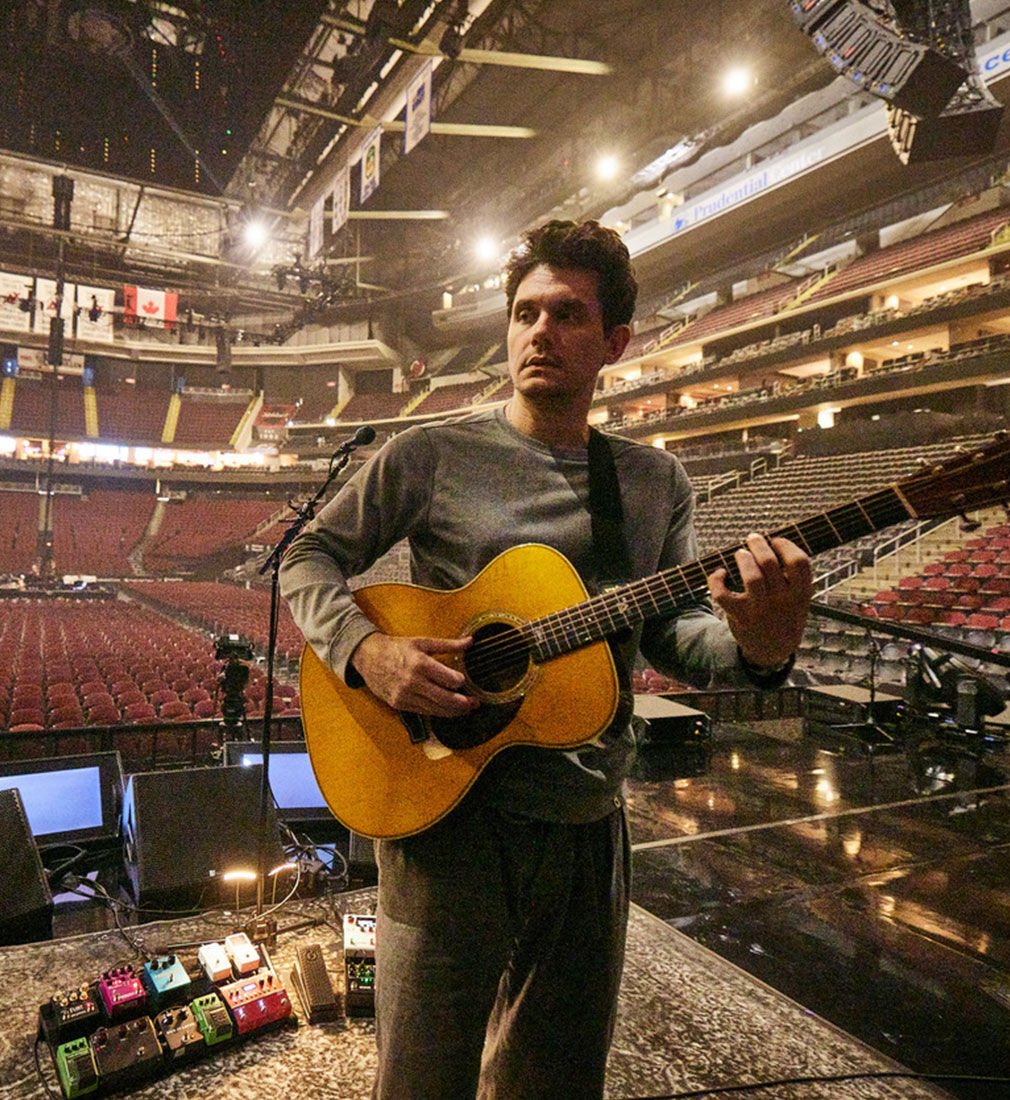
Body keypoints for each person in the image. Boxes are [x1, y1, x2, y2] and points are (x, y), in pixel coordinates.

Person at [280, 219, 812, 1100]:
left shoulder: (652, 484)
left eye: (567, 314)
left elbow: (674, 636)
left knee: (555, 1080)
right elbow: (307, 556)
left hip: (585, 820)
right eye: (526, 312)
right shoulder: (432, 454)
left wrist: (763, 643)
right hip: (447, 815)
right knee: (421, 1079)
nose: (540, 332)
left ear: (614, 343)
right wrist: (368, 651)